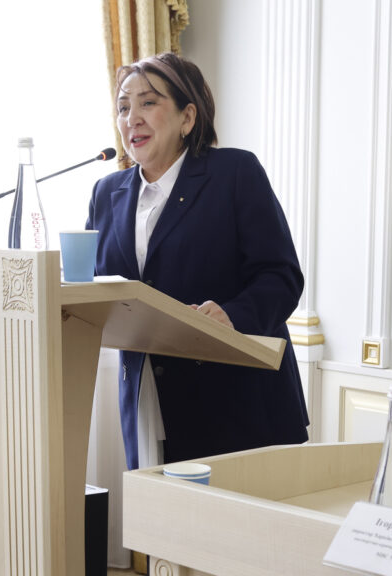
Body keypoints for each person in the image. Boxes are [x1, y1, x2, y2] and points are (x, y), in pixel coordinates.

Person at [86, 52, 308, 470]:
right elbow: (101, 288)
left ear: (187, 117)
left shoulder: (234, 172)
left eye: (148, 103)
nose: (132, 118)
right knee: (157, 511)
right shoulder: (106, 193)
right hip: (145, 399)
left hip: (234, 401)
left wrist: (232, 314)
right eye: (123, 106)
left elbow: (281, 276)